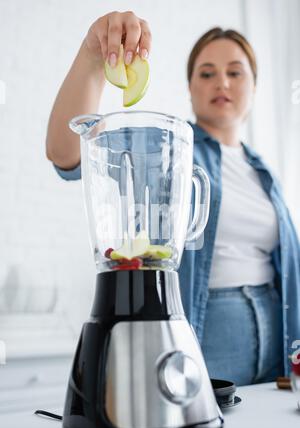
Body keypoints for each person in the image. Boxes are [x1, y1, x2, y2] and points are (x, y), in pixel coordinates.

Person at [46, 11, 300, 386]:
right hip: (205, 329)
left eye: (235, 71)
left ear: (254, 86)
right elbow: (66, 152)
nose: (222, 83)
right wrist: (93, 58)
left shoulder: (265, 173)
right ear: (190, 87)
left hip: (275, 331)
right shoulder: (168, 148)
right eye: (207, 72)